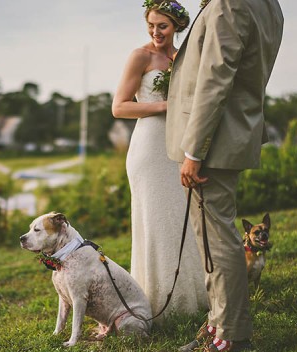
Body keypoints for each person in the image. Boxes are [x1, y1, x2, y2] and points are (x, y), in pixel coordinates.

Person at [166, 0, 283, 352]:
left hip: (214, 141)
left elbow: (216, 77)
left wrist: (195, 151)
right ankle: (218, 323)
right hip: (232, 132)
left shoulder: (230, 4)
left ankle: (231, 334)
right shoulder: (271, 5)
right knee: (215, 238)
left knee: (218, 242)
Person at [112, 0, 208, 321]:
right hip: (149, 148)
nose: (155, 32)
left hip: (178, 145)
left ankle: (196, 297)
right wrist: (165, 105)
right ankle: (157, 302)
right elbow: (120, 107)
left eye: (162, 26)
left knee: (182, 216)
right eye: (151, 25)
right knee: (156, 218)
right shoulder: (140, 56)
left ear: (177, 27)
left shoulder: (181, 57)